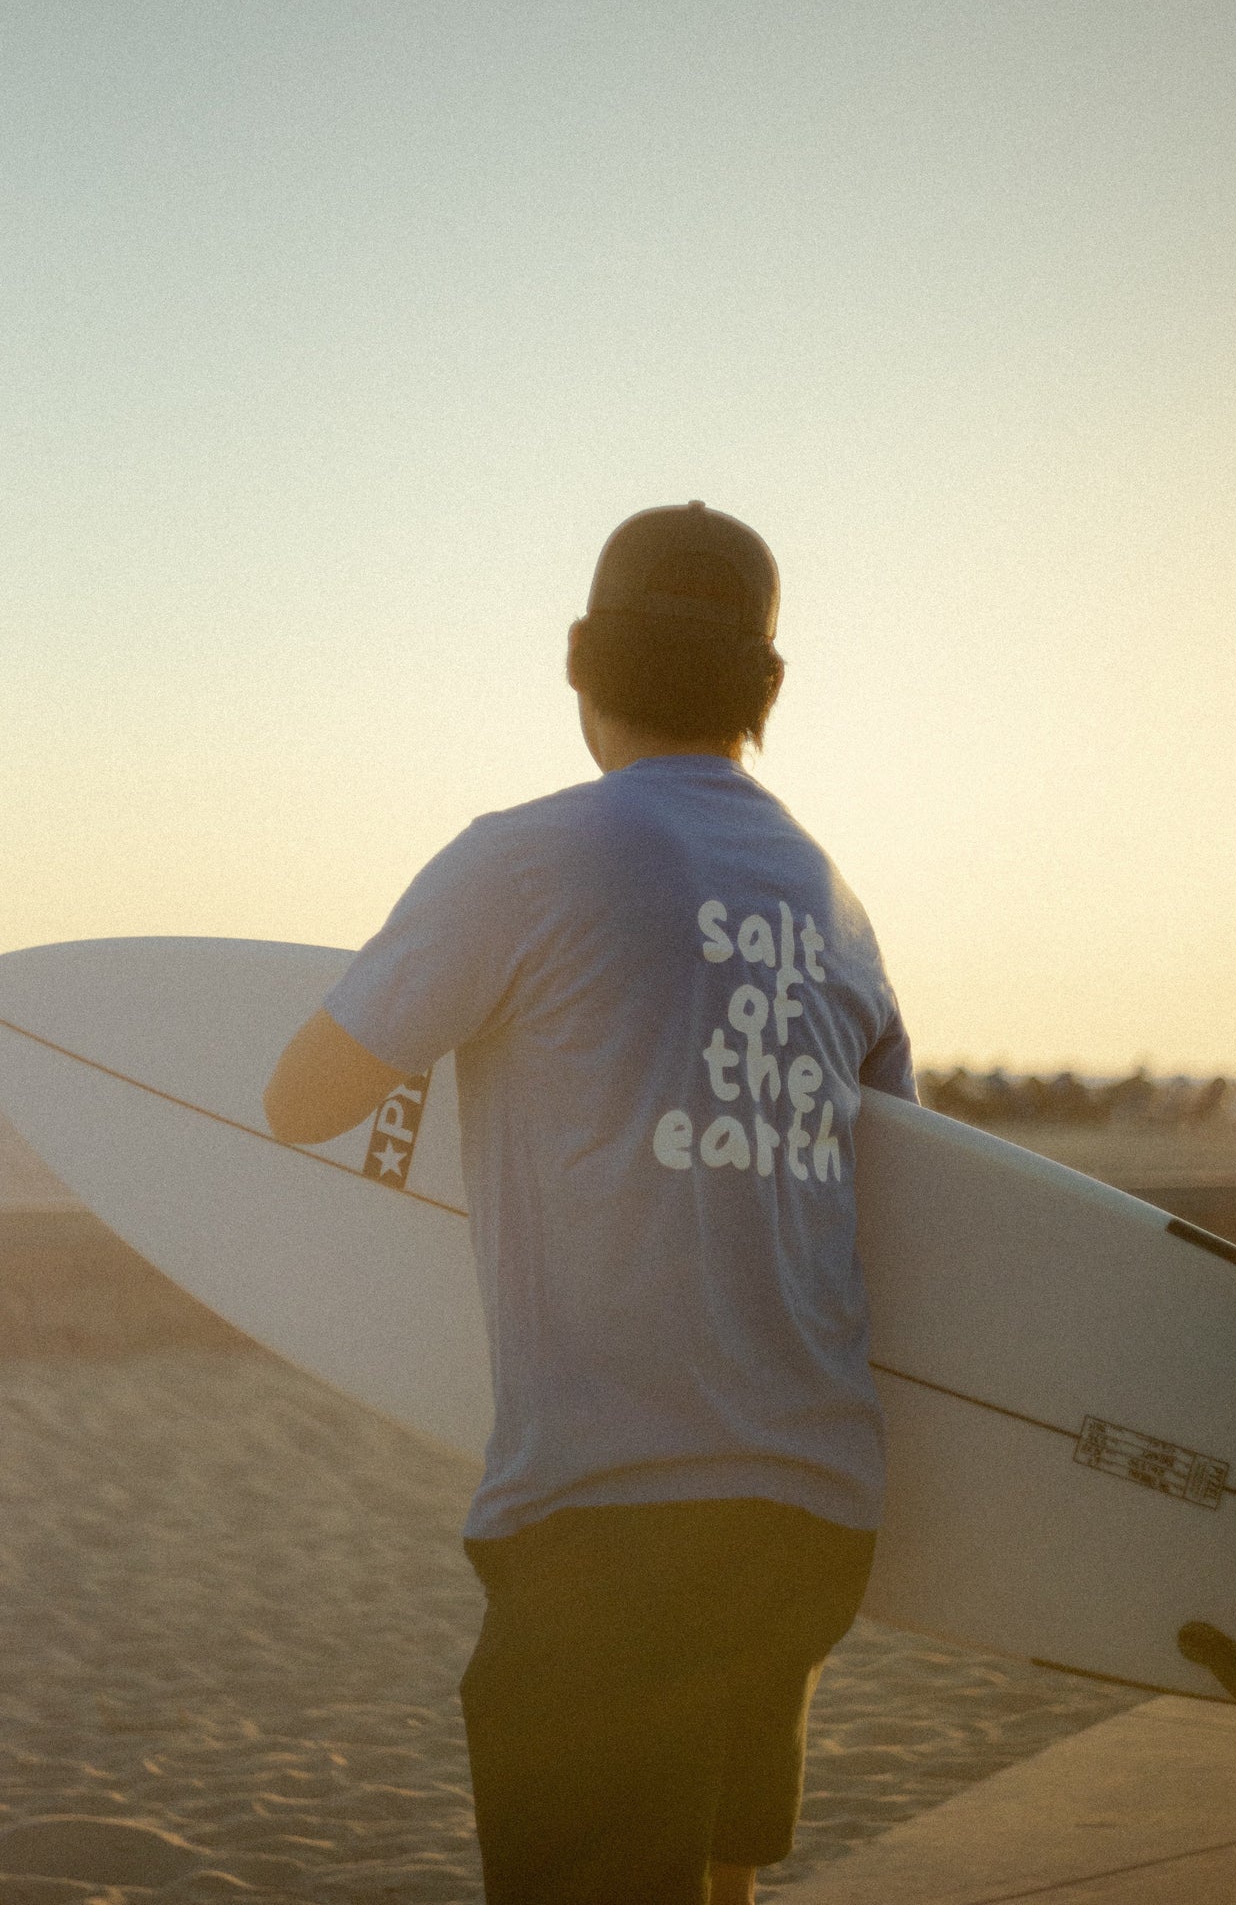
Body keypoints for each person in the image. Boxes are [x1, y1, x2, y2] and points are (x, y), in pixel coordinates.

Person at [264, 501, 917, 1905]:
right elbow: (894, 1192)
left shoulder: (523, 857)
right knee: (708, 1877)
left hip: (616, 1520)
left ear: (581, 670)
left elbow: (296, 1099)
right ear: (769, 689)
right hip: (809, 1513)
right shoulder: (838, 904)